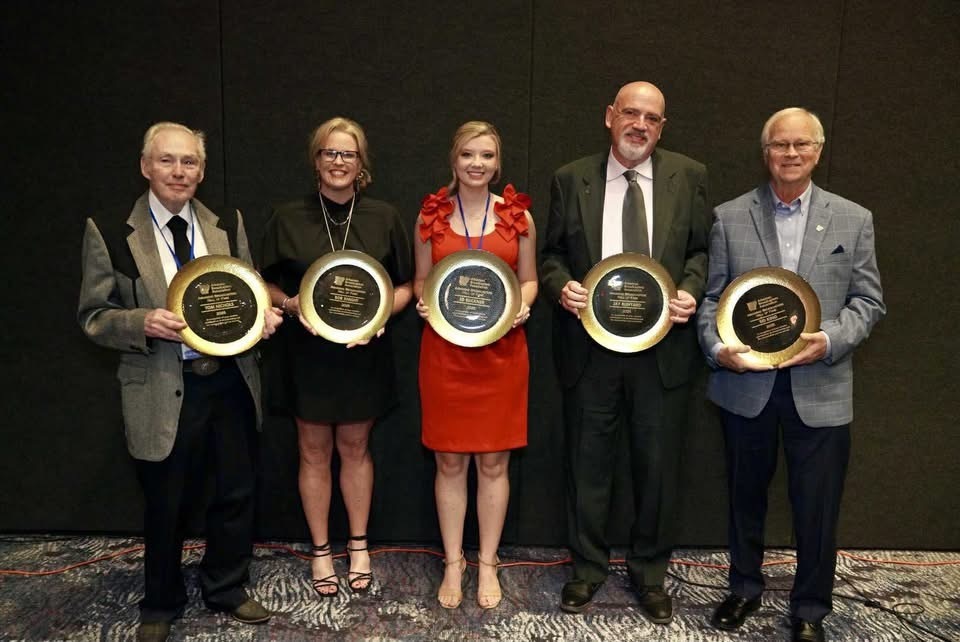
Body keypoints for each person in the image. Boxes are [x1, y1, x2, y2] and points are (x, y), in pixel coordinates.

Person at [78, 122, 283, 642]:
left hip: (231, 380)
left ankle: (228, 587)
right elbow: (93, 316)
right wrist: (139, 322)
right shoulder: (108, 229)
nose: (178, 172)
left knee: (236, 490)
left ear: (202, 170)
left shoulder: (225, 223)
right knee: (166, 500)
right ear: (146, 166)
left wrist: (263, 320)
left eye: (189, 162)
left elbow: (248, 291)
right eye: (167, 161)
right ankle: (161, 601)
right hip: (164, 382)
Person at [697, 108, 884, 642]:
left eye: (802, 145)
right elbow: (713, 299)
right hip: (744, 386)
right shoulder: (729, 216)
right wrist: (716, 348)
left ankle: (809, 609)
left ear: (818, 151)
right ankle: (743, 588)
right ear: (766, 153)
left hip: (821, 386)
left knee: (817, 506)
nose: (791, 154)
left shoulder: (854, 218)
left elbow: (869, 301)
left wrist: (830, 340)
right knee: (743, 496)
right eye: (780, 145)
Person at [540, 82, 710, 622]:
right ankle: (587, 569)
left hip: (663, 350)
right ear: (609, 116)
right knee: (587, 464)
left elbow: (702, 250)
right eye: (631, 113)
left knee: (657, 468)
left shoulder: (691, 176)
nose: (640, 124)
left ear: (663, 127)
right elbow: (550, 255)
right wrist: (560, 286)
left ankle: (649, 572)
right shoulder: (571, 178)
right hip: (591, 351)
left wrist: (692, 289)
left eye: (652, 118)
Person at [259, 117, 413, 598]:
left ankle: (360, 545)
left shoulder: (384, 217)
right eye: (330, 153)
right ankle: (322, 549)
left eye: (348, 154)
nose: (339, 162)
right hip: (306, 353)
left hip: (362, 353)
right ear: (316, 160)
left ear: (361, 162)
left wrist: (381, 316)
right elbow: (262, 281)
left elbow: (408, 284)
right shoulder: (287, 217)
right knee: (312, 451)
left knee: (355, 449)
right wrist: (289, 305)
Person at [414, 121, 537, 610]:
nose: (477, 164)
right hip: (444, 355)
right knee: (448, 460)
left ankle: (487, 561)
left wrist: (522, 305)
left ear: (497, 163)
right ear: (454, 159)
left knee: (493, 461)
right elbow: (422, 281)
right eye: (468, 154)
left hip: (502, 354)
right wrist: (426, 304)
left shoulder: (519, 217)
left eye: (486, 155)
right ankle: (452, 561)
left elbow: (528, 281)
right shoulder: (430, 215)